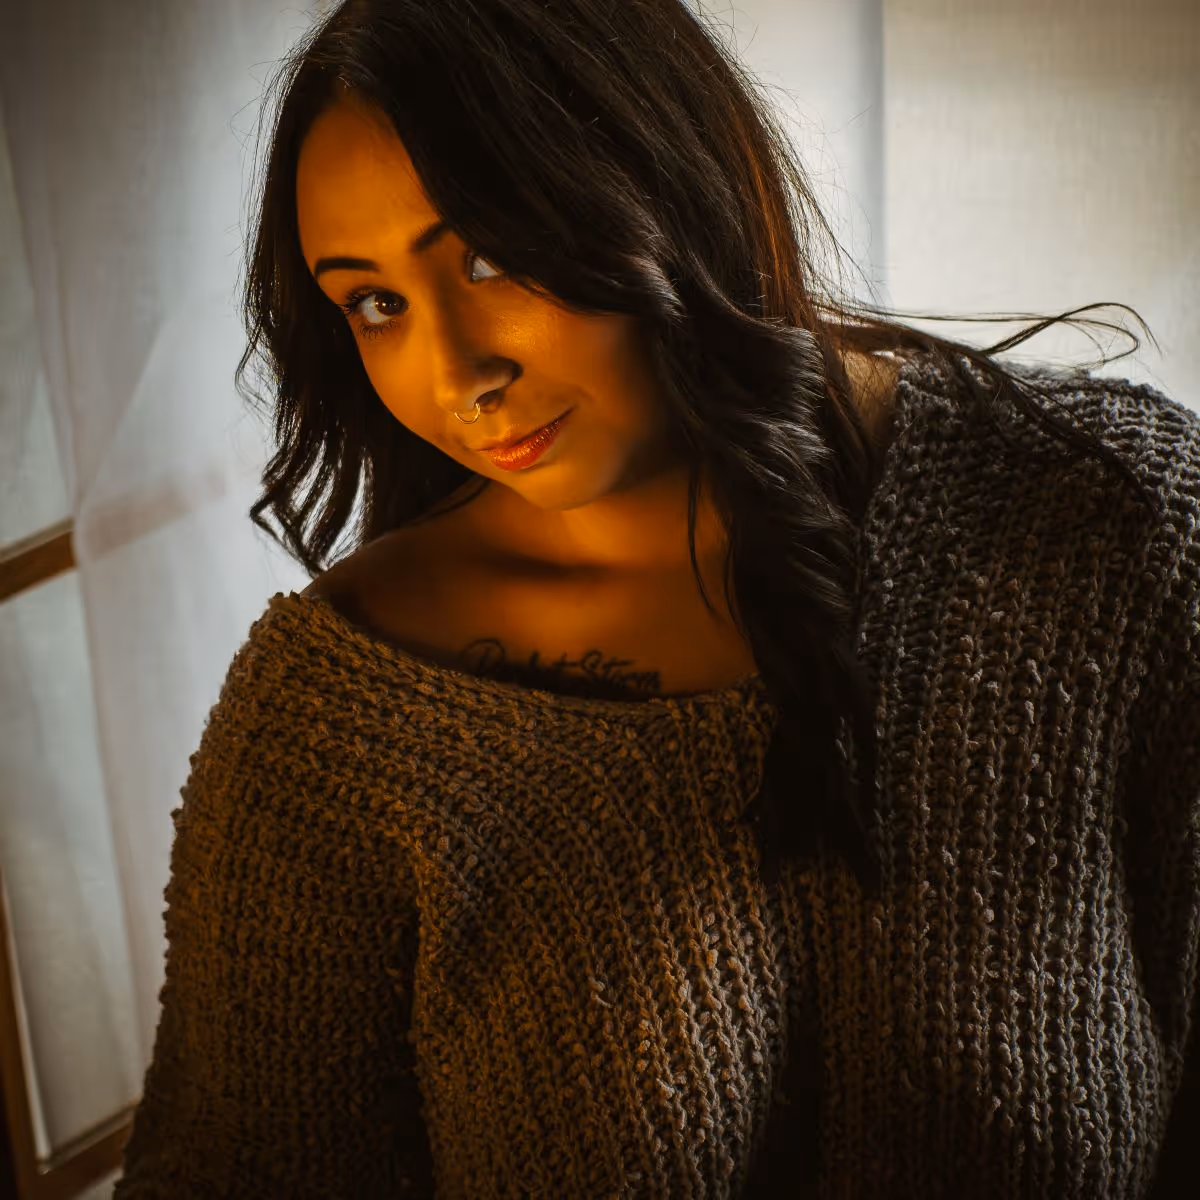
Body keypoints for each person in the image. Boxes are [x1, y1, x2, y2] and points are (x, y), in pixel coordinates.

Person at [113, 1, 1198, 1197]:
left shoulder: (1110, 528)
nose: (456, 372)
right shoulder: (334, 728)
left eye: (487, 258)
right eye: (375, 302)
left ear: (677, 180)